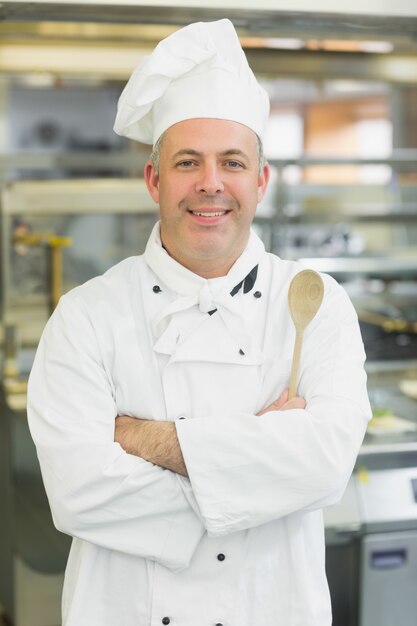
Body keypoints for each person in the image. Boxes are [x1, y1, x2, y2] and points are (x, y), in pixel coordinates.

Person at [27, 18, 371, 626]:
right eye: (188, 162)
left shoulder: (316, 302)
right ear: (155, 179)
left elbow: (324, 465)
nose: (210, 184)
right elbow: (79, 493)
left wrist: (138, 438)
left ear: (260, 180)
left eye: (232, 162)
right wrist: (262, 459)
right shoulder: (86, 316)